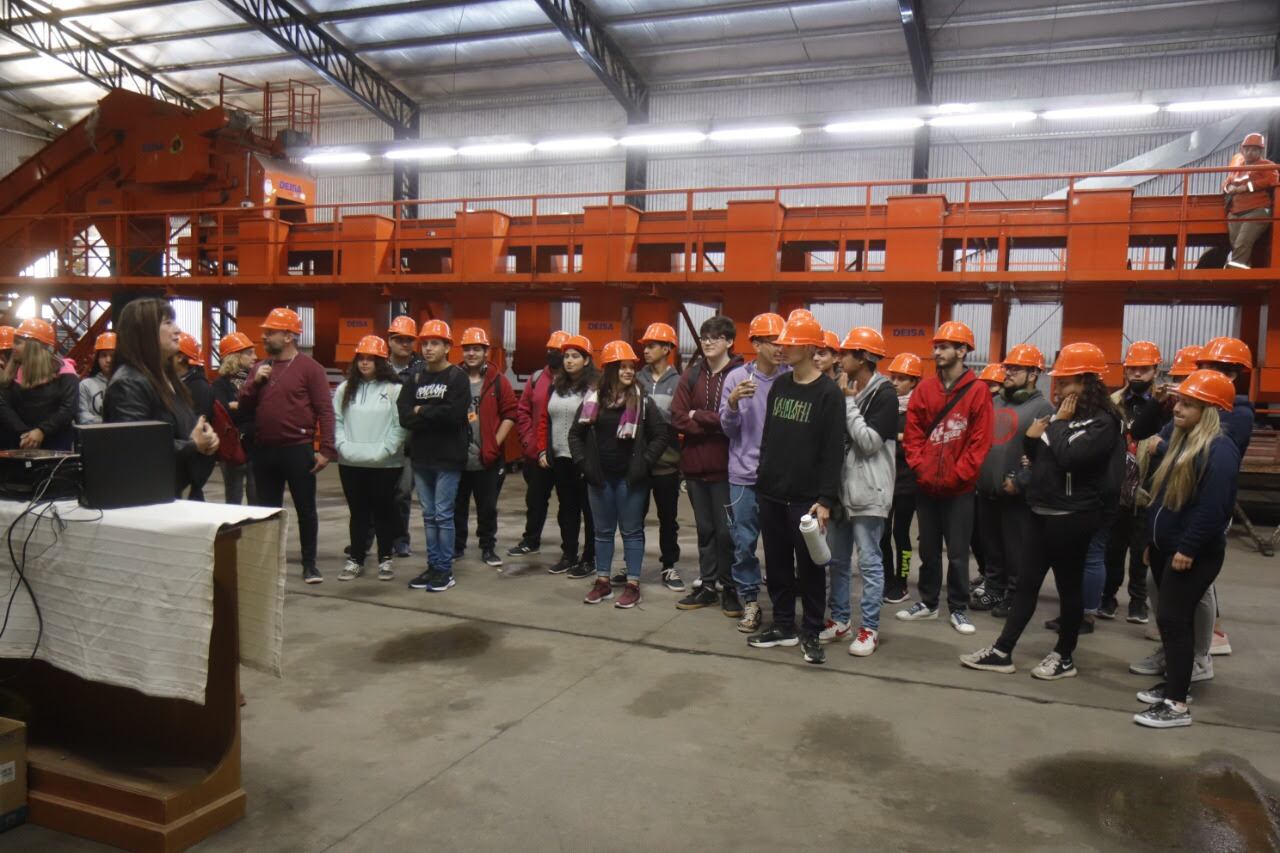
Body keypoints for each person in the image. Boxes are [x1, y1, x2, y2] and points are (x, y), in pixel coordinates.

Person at [960, 342, 1122, 680]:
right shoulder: (1064, 418)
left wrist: (1054, 427)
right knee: (1026, 586)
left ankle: (1064, 656)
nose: (1059, 388)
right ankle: (1003, 650)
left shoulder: (1103, 423)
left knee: (1068, 588)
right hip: (1042, 512)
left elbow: (1070, 458)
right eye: (1059, 382)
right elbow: (1040, 459)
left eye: (1067, 383)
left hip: (1073, 518)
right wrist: (1036, 441)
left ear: (1088, 382)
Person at [1130, 336, 1252, 678]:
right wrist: (1159, 407)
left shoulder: (1237, 413)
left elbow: (1189, 447)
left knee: (1194, 591)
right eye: (1207, 368)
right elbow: (1145, 434)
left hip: (1200, 508)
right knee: (1162, 588)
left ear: (1236, 374)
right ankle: (1173, 652)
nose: (1212, 375)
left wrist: (1165, 443)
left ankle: (1198, 656)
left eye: (1222, 370)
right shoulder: (1190, 407)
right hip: (1171, 505)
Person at [1133, 370, 1239, 728]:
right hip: (1168, 547)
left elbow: (1213, 509)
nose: (1177, 408)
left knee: (1173, 621)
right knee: (1172, 620)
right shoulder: (1182, 441)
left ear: (1209, 410)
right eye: (1179, 401)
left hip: (1192, 552)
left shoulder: (1219, 451)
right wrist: (1153, 541)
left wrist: (1189, 548)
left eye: (1188, 404)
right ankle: (1175, 685)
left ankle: (1176, 705)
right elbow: (1163, 498)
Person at [745, 312, 845, 665]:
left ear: (808, 346)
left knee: (811, 569)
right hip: (771, 493)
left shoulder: (829, 394)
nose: (782, 349)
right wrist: (762, 481)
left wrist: (825, 500)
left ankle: (812, 631)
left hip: (806, 500)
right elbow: (769, 438)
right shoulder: (780, 387)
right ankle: (784, 625)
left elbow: (834, 452)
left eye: (789, 344)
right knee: (777, 565)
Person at [897, 321, 993, 635]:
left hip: (959, 490)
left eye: (944, 346)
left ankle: (959, 608)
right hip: (926, 486)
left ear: (962, 351)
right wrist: (920, 468)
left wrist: (957, 476)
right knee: (927, 551)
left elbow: (980, 442)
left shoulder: (977, 391)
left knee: (957, 553)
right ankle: (927, 603)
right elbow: (912, 434)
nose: (937, 352)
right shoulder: (925, 389)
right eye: (936, 346)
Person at [238, 307, 336, 585]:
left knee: (306, 508)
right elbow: (244, 408)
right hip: (264, 450)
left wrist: (326, 449)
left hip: (297, 449)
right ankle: (269, 564)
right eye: (265, 332)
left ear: (290, 336)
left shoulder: (311, 369)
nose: (265, 336)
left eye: (271, 332)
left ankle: (310, 564)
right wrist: (254, 385)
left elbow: (325, 410)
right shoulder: (259, 368)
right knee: (267, 511)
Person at [571, 341, 670, 607]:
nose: (628, 371)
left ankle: (633, 584)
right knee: (602, 532)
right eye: (622, 366)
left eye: (631, 367)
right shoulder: (593, 399)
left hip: (630, 479)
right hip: (600, 478)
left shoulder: (642, 400)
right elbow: (575, 435)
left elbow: (661, 435)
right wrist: (584, 464)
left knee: (631, 532)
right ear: (609, 369)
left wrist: (644, 464)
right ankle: (602, 582)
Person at [822, 326, 897, 656]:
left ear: (864, 358)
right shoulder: (844, 387)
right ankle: (839, 620)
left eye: (847, 353)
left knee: (869, 562)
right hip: (841, 489)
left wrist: (848, 405)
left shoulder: (885, 395)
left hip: (869, 490)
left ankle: (869, 629)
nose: (841, 358)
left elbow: (868, 443)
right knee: (837, 562)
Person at [104, 299, 219, 495]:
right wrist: (192, 446)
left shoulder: (167, 378)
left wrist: (207, 438)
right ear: (145, 332)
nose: (178, 330)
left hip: (176, 491)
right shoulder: (129, 383)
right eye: (168, 323)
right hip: (151, 496)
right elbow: (133, 445)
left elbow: (184, 428)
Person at [971, 344, 1053, 616]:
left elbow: (1045, 456)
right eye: (1007, 368)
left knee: (1016, 550)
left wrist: (1021, 480)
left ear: (1033, 374)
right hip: (986, 490)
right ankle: (993, 589)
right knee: (990, 547)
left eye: (1015, 369)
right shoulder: (994, 403)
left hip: (1017, 495)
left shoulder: (1043, 408)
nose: (1008, 373)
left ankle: (1015, 595)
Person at [720, 312, 788, 632]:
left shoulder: (790, 379)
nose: (779, 348)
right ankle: (750, 602)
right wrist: (732, 404)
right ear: (757, 344)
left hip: (779, 478)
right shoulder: (736, 379)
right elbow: (728, 429)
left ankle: (782, 607)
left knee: (779, 547)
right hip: (744, 477)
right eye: (772, 341)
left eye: (782, 342)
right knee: (744, 544)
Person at [671, 314, 743, 614]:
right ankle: (708, 585)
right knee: (705, 530)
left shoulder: (739, 374)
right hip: (695, 468)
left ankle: (730, 587)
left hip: (727, 468)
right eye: (704, 337)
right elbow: (676, 416)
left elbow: (734, 422)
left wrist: (697, 416)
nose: (708, 342)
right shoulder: (691, 374)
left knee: (727, 532)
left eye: (715, 337)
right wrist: (711, 419)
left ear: (729, 341)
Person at [399, 319, 470, 593]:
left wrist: (421, 411)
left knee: (443, 514)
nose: (428, 348)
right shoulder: (416, 377)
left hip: (448, 458)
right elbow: (404, 414)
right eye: (425, 343)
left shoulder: (457, 377)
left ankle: (444, 570)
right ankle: (432, 565)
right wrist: (426, 412)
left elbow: (453, 416)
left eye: (434, 343)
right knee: (428, 515)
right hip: (421, 457)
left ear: (447, 347)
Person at [1098, 341, 1163, 623]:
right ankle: (1107, 597)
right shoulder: (1113, 403)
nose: (1137, 374)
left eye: (1144, 369)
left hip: (1149, 489)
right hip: (1117, 488)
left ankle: (1138, 602)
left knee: (1141, 552)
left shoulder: (1166, 406)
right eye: (1133, 369)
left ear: (1155, 371)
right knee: (1112, 549)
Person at [334, 335, 408, 583]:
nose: (364, 363)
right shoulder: (345, 390)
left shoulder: (394, 390)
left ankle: (385, 558)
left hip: (385, 465)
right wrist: (342, 446)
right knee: (358, 513)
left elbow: (401, 426)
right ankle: (355, 558)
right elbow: (336, 421)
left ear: (381, 362)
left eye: (370, 359)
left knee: (383, 512)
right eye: (361, 358)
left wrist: (386, 450)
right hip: (351, 463)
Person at [454, 327, 518, 569]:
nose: (471, 353)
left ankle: (487, 547)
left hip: (488, 458)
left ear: (485, 352)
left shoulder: (498, 381)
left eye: (476, 349)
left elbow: (510, 414)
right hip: (459, 458)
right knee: (457, 505)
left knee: (487, 507)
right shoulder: (453, 378)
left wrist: (494, 445)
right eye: (467, 349)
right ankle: (457, 546)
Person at [535, 334, 598, 579]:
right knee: (566, 509)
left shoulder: (594, 387)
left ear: (586, 360)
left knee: (589, 510)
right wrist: (543, 450)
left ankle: (589, 557)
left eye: (575, 356)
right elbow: (545, 420)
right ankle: (568, 554)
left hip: (584, 459)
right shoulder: (556, 386)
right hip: (560, 457)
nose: (569, 361)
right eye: (567, 356)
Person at [635, 322, 685, 591]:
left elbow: (680, 419)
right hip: (639, 463)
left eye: (652, 345)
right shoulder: (637, 379)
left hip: (666, 464)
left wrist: (652, 416)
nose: (646, 350)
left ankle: (669, 566)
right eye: (645, 346)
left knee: (668, 519)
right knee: (635, 517)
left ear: (667, 349)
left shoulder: (679, 382)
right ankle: (632, 566)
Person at [511, 330, 568, 558]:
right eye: (550, 350)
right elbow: (523, 410)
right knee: (535, 501)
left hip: (564, 454)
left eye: (558, 351)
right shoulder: (536, 379)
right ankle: (530, 540)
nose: (553, 354)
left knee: (568, 504)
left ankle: (568, 548)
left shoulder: (576, 382)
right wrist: (528, 440)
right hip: (537, 455)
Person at [0, 318, 79, 451]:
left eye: (18, 343)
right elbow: (3, 407)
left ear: (34, 346)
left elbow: (68, 408)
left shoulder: (65, 371)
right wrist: (26, 435)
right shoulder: (12, 373)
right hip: (21, 445)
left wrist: (41, 431)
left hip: (56, 446)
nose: (13, 347)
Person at [881, 352, 921, 604]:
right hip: (885, 482)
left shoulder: (919, 411)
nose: (894, 382)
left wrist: (893, 438)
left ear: (913, 382)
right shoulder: (886, 406)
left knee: (901, 535)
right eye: (893, 377)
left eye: (901, 378)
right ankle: (887, 579)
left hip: (908, 484)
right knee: (882, 535)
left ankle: (902, 581)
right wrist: (897, 438)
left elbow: (917, 445)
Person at [385, 315, 423, 558]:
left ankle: (400, 539)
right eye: (399, 339)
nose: (404, 344)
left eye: (409, 340)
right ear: (389, 341)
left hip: (409, 444)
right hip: (378, 440)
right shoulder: (379, 366)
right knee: (375, 493)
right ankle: (371, 540)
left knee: (401, 494)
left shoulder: (422, 370)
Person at [211, 332, 259, 505]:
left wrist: (237, 405)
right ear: (235, 356)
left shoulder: (257, 381)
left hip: (256, 448)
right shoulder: (220, 385)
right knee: (233, 501)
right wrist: (247, 406)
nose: (255, 357)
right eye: (249, 353)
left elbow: (262, 410)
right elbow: (223, 412)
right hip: (232, 449)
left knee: (258, 501)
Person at [1221, 132, 1277, 269]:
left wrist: (1245, 188)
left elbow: (1272, 180)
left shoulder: (1266, 165)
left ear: (1260, 151)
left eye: (1254, 149)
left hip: (1256, 211)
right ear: (1242, 150)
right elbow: (1225, 184)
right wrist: (1230, 188)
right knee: (1236, 244)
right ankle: (1244, 271)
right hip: (1235, 212)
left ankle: (1233, 272)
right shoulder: (1237, 169)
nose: (1249, 152)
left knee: (1242, 243)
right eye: (1247, 149)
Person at [176, 332, 214, 501]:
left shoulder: (198, 387)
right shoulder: (175, 384)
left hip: (190, 464)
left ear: (179, 357)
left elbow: (195, 426)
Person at [77, 331, 116, 425]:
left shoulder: (127, 384)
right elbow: (82, 415)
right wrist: (108, 424)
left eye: (112, 355)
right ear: (97, 358)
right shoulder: (85, 385)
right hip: (94, 436)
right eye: (104, 355)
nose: (108, 360)